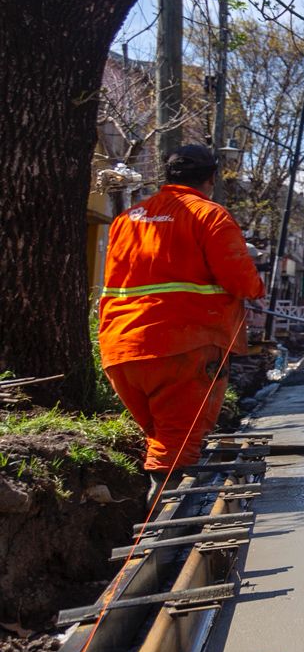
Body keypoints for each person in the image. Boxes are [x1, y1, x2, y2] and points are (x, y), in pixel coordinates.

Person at [98, 145, 265, 499]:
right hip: (183, 348)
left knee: (161, 437)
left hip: (121, 350)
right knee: (175, 450)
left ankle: (158, 501)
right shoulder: (210, 216)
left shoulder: (127, 219)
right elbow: (243, 282)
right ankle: (165, 513)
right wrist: (256, 285)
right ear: (211, 178)